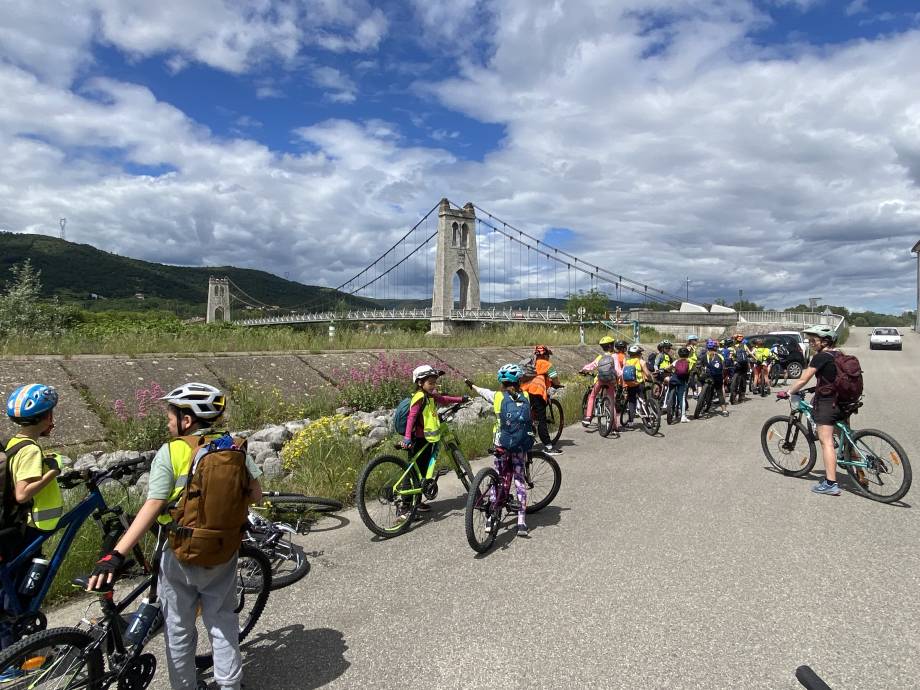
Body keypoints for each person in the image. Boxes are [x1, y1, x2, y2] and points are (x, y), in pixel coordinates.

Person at [87, 383, 263, 690]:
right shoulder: (235, 446)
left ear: (187, 420)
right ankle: (230, 685)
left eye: (171, 414)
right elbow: (255, 495)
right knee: (222, 620)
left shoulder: (172, 451)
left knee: (179, 627)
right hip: (223, 550)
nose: (168, 421)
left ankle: (185, 686)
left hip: (178, 550)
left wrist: (117, 554)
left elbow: (153, 506)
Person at [1, 384, 64, 656]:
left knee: (14, 587)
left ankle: (22, 650)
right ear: (44, 417)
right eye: (51, 414)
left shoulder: (14, 443)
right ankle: (15, 655)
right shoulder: (30, 450)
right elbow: (23, 492)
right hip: (29, 528)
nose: (53, 420)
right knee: (20, 591)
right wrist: (53, 471)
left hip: (16, 527)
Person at [778, 325, 848, 496]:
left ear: (824, 341)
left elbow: (803, 379)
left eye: (813, 340)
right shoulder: (840, 355)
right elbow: (832, 377)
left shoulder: (820, 357)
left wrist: (788, 392)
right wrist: (815, 388)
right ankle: (852, 459)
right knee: (843, 433)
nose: (810, 343)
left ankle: (831, 484)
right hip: (845, 400)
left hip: (828, 402)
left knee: (827, 442)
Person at [467, 365, 533, 536]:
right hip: (519, 445)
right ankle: (521, 522)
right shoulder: (525, 396)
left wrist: (472, 386)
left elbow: (483, 391)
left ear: (501, 382)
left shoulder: (496, 396)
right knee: (519, 480)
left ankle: (491, 518)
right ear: (518, 381)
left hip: (501, 445)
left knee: (498, 480)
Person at [401, 366, 468, 511]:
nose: (433, 386)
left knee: (423, 471)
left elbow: (443, 399)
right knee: (413, 472)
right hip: (418, 440)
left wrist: (460, 399)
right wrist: (407, 437)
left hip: (427, 440)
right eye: (430, 383)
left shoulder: (430, 396)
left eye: (434, 383)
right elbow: (411, 418)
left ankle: (416, 503)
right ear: (420, 383)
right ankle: (405, 506)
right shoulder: (420, 397)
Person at [522, 345, 563, 455]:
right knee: (541, 419)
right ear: (545, 355)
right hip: (537, 390)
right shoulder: (547, 364)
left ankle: (525, 442)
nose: (548, 357)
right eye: (548, 355)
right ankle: (548, 447)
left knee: (528, 416)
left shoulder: (532, 363)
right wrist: (557, 384)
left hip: (524, 391)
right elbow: (554, 378)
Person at [580, 336, 622, 436]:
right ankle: (614, 427)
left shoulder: (600, 357)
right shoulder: (614, 357)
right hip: (611, 382)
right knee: (611, 402)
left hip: (600, 380)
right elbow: (619, 371)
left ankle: (588, 417)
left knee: (592, 396)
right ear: (612, 346)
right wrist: (618, 378)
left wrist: (583, 369)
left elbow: (592, 365)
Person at [622, 344, 655, 428]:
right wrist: (651, 379)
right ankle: (648, 420)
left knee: (632, 402)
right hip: (639, 384)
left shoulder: (627, 362)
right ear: (639, 354)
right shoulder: (641, 361)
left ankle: (630, 421)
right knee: (643, 401)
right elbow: (647, 373)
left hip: (630, 384)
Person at [700, 339, 728, 416]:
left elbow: (699, 366)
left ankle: (703, 406)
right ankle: (724, 411)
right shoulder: (720, 356)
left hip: (707, 377)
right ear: (715, 347)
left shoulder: (704, 356)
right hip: (718, 377)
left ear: (707, 347)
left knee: (707, 392)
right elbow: (724, 367)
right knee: (719, 393)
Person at [672, 347, 692, 423]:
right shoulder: (689, 361)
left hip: (674, 380)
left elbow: (669, 368)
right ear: (688, 354)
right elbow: (691, 370)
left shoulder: (676, 361)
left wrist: (667, 369)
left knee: (670, 392)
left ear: (679, 354)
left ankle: (668, 407)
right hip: (683, 381)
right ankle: (683, 416)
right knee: (682, 398)